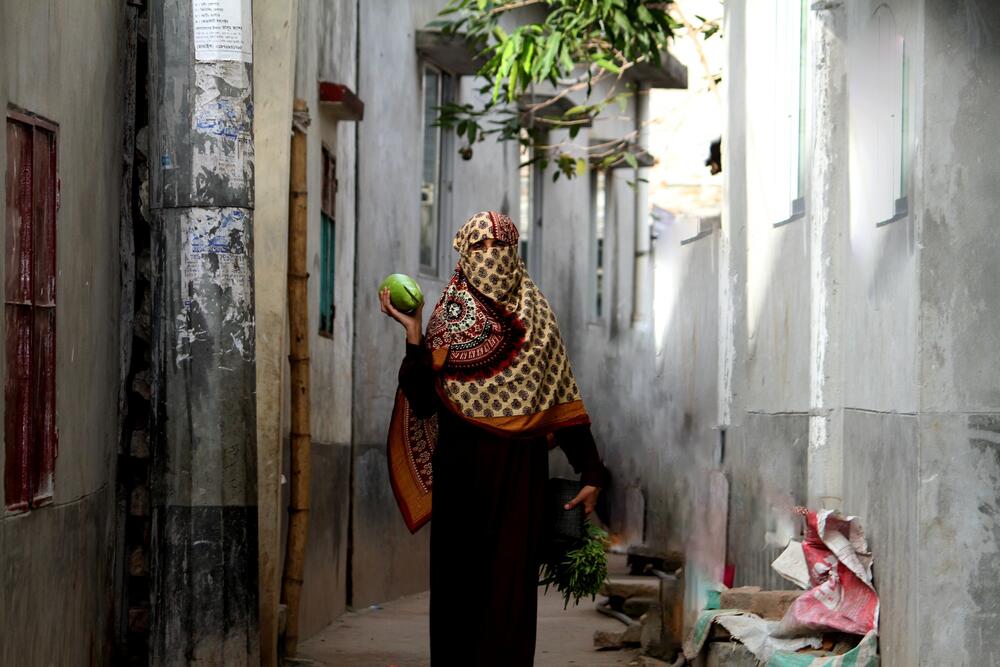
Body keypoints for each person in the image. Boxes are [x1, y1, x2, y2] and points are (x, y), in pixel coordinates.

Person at [380, 210, 610, 665]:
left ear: (515, 252)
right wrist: (413, 333)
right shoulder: (448, 317)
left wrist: (591, 470)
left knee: (509, 592)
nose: (491, 257)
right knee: (457, 588)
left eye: (501, 247)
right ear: (464, 253)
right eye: (480, 247)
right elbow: (425, 402)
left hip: (518, 477)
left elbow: (562, 394)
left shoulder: (537, 316)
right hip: (460, 476)